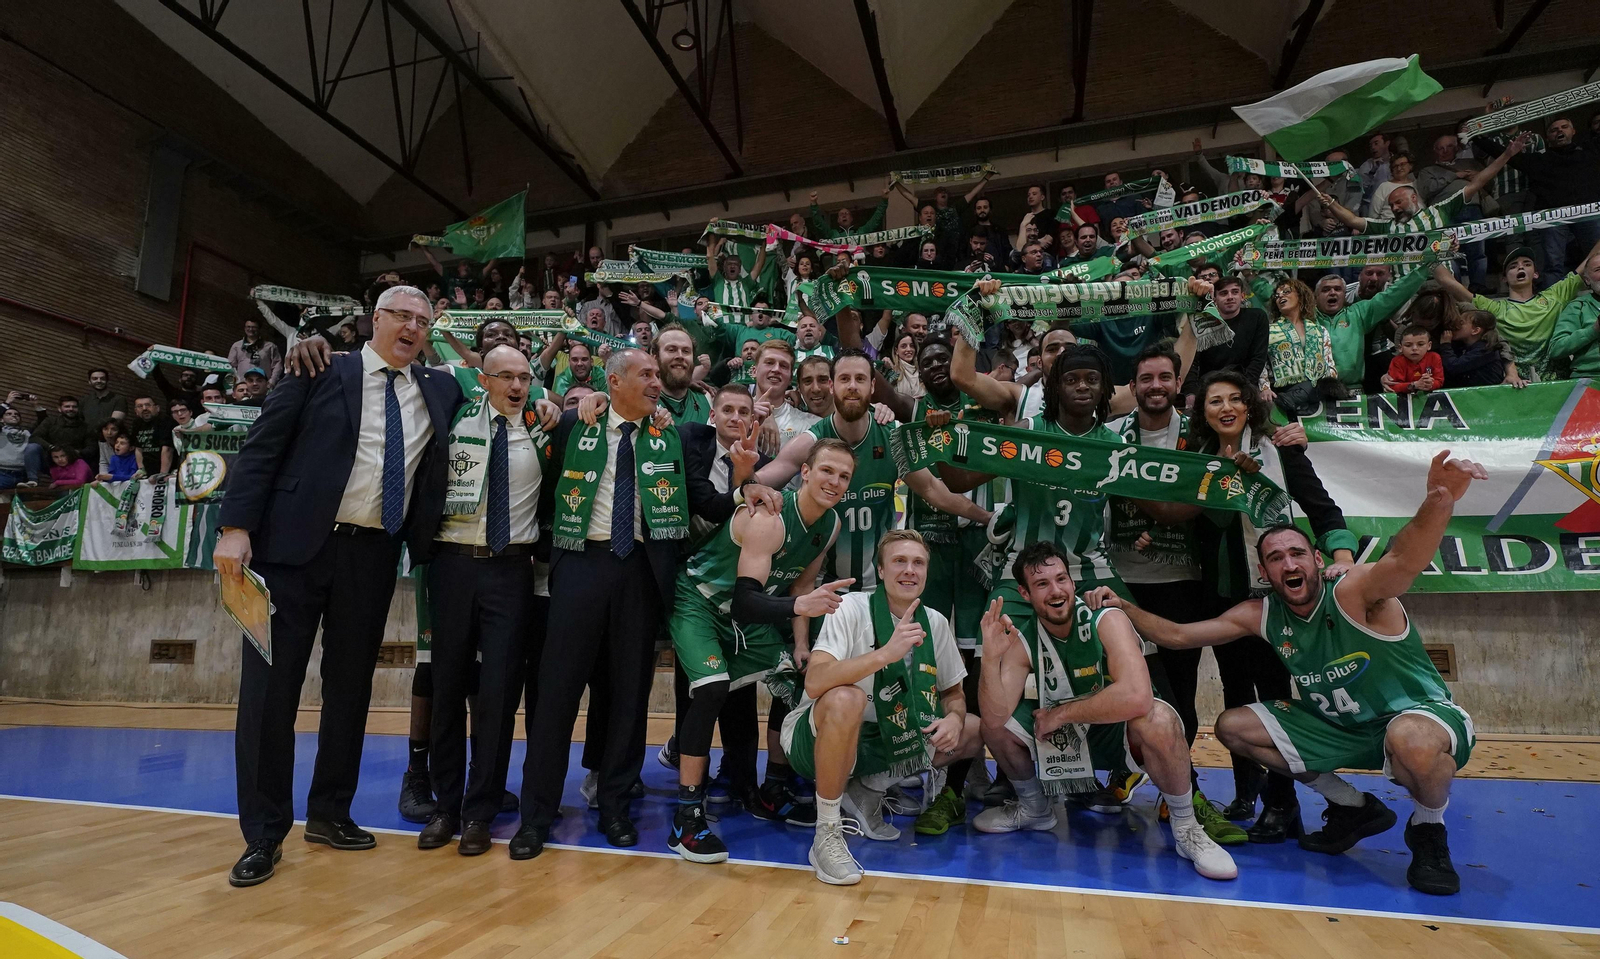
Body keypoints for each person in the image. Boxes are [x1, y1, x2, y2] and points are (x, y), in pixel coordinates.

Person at [1086, 449, 1489, 895]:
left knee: (1410, 740)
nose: (1289, 564)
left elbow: (1404, 559)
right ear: (1264, 571)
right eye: (1276, 558)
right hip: (1343, 728)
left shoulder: (1353, 590)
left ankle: (1429, 829)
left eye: (1297, 553)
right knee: (1234, 726)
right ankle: (1353, 806)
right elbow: (1179, 636)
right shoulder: (1261, 613)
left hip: (1418, 718)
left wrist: (1438, 501)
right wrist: (1124, 607)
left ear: (1317, 559)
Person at [213, 285, 465, 888]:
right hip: (290, 551)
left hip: (373, 555)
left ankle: (330, 812)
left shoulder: (441, 388)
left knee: (350, 690)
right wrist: (235, 527)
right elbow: (262, 447)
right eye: (401, 315)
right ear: (375, 319)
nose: (412, 327)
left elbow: (507, 387)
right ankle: (264, 833)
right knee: (270, 693)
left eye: (422, 320)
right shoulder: (319, 366)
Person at [510, 350, 774, 861]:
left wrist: (745, 485)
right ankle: (536, 816)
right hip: (581, 563)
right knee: (556, 694)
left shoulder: (674, 435)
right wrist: (567, 403)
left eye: (658, 374)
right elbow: (541, 481)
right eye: (646, 374)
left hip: (641, 574)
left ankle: (615, 806)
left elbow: (707, 493)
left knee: (629, 697)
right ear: (614, 381)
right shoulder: (573, 425)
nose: (657, 382)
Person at [975, 542, 1238, 881]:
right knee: (995, 726)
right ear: (1025, 593)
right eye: (1042, 584)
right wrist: (990, 659)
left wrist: (1060, 714)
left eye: (1061, 579)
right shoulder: (1024, 638)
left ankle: (1187, 828)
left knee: (1160, 719)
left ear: (1072, 582)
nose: (1056, 591)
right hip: (1063, 739)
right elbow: (995, 720)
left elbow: (1137, 697)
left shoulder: (1105, 617)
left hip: (1116, 733)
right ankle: (1034, 809)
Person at [667, 437, 857, 863]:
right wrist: (799, 608)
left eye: (844, 476)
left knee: (795, 675)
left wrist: (802, 643)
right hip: (700, 600)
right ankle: (686, 817)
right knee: (712, 689)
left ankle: (774, 786)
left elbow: (800, 586)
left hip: (746, 615)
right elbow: (746, 602)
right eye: (827, 471)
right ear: (804, 472)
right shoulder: (769, 518)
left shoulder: (830, 524)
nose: (834, 482)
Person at [1185, 370, 1357, 838]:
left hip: (1275, 598)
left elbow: (1323, 508)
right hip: (1221, 595)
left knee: (1276, 696)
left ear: (1249, 406)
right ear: (1203, 413)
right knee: (1235, 692)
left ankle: (1283, 803)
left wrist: (1342, 557)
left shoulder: (1280, 449)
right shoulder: (1196, 460)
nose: (1225, 408)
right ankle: (1247, 793)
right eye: (1214, 401)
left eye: (1234, 399)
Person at [781, 531, 983, 886]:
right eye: (899, 561)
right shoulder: (851, 608)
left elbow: (953, 692)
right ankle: (826, 833)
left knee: (972, 728)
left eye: (918, 563)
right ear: (881, 570)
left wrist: (953, 716)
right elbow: (815, 681)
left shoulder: (935, 622)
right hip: (814, 739)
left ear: (927, 571)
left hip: (884, 739)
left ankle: (867, 791)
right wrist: (885, 654)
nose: (909, 570)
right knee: (848, 698)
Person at [412, 346, 549, 857]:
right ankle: (445, 806)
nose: (517, 386)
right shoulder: (454, 417)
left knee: (497, 695)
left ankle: (480, 811)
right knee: (447, 686)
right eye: (505, 376)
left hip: (511, 570)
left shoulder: (541, 428)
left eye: (524, 377)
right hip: (452, 565)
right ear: (484, 380)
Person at [1106, 346, 1245, 844]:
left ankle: (1181, 792)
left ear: (1177, 383)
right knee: (1126, 689)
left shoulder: (1200, 436)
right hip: (1120, 578)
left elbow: (1209, 499)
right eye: (1146, 378)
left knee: (1181, 694)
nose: (1156, 385)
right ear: (1133, 386)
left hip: (1183, 580)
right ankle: (1128, 767)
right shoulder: (1111, 437)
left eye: (1165, 376)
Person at [755, 350, 992, 593]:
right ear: (832, 386)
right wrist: (744, 476)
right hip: (823, 585)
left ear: (872, 386)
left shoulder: (892, 436)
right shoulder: (811, 441)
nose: (852, 386)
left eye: (860, 379)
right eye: (844, 379)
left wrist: (986, 517)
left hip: (880, 585)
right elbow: (758, 482)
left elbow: (932, 489)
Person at [1433, 241, 1600, 380]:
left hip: (1559, 383)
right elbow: (1445, 280)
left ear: (1535, 274)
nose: (1520, 267)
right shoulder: (1493, 307)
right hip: (1518, 386)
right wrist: (1432, 249)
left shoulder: (1555, 295)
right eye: (1513, 266)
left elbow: (1590, 262)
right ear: (1504, 278)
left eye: (1527, 264)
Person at [1183, 276, 1268, 402]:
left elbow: (1258, 358)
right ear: (1214, 299)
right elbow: (1193, 361)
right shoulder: (1203, 320)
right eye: (1224, 293)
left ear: (1242, 296)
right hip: (1209, 386)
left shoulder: (1257, 317)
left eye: (1235, 292)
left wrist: (1244, 388)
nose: (1230, 297)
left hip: (1245, 384)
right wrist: (1191, 392)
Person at [1549, 247, 1600, 378]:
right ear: (1587, 280)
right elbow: (1556, 349)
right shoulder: (1578, 307)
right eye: (1598, 270)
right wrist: (1593, 330)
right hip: (1589, 378)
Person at [653, 324, 712, 424]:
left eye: (686, 351)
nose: (680, 356)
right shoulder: (643, 403)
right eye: (671, 350)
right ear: (655, 358)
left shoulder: (706, 398)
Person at [26, 396, 95, 479]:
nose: (71, 409)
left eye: (74, 407)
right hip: (50, 460)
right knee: (32, 447)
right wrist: (51, 448)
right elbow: (34, 437)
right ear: (59, 409)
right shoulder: (50, 421)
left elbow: (91, 448)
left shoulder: (86, 427)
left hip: (74, 462)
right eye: (67, 406)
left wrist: (75, 452)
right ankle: (32, 480)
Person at [1440, 310, 1507, 388]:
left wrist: (1445, 345)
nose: (1456, 326)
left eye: (1461, 323)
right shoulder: (1463, 345)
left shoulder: (1485, 350)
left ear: (1475, 330)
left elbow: (1454, 366)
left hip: (1486, 393)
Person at [1386, 326, 1444, 394]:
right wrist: (1414, 385)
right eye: (1408, 345)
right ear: (1400, 348)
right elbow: (1392, 386)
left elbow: (1439, 381)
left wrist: (1429, 384)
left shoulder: (1434, 357)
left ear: (1429, 345)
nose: (1414, 348)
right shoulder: (1397, 361)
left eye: (1420, 344)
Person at [127, 394, 175, 477]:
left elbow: (167, 449)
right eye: (140, 406)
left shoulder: (165, 421)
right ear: (136, 411)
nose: (144, 408)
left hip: (168, 470)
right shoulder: (137, 423)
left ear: (157, 408)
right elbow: (138, 448)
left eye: (148, 405)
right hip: (149, 470)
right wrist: (141, 470)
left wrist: (162, 474)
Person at [227, 319, 283, 387]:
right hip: (243, 385)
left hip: (263, 386)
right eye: (248, 327)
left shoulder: (270, 346)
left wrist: (272, 381)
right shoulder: (237, 346)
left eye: (254, 327)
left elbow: (277, 365)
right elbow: (231, 365)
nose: (251, 329)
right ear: (245, 328)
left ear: (259, 329)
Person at [0, 405, 32, 489]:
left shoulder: (26, 432)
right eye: (9, 414)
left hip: (23, 476)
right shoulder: (1, 431)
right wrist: (6, 403)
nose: (14, 415)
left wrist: (36, 405)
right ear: (1, 419)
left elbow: (42, 421)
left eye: (16, 414)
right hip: (2, 474)